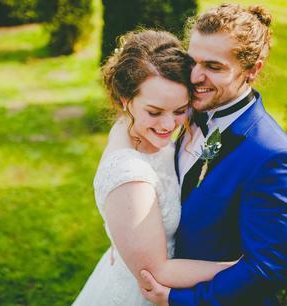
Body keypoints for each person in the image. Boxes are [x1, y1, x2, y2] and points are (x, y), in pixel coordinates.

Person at [139, 4, 287, 306]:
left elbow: (264, 269)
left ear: (252, 69)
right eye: (192, 61)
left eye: (214, 67)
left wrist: (177, 300)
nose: (194, 76)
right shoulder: (183, 112)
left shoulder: (275, 158)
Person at [72, 29, 238, 306]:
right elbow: (156, 271)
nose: (167, 125)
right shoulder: (130, 177)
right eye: (154, 112)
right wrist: (240, 269)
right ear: (126, 100)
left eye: (179, 110)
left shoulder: (129, 128)